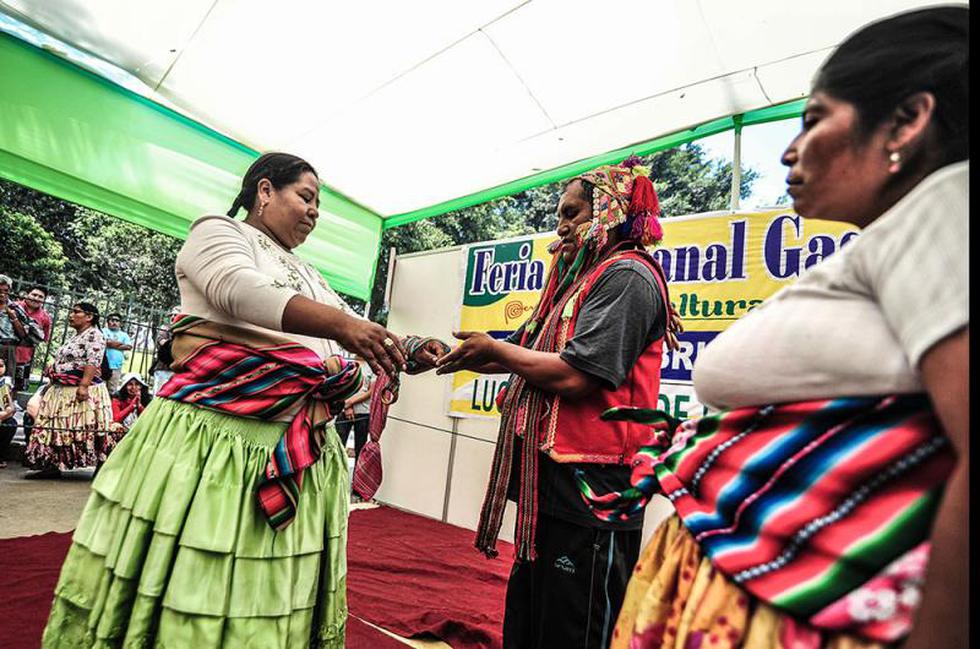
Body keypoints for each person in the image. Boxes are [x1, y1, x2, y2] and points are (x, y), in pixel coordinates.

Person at [588, 7, 968, 649]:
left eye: (815, 120)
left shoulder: (943, 207)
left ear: (908, 120)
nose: (790, 150)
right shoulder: (894, 243)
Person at [41, 152, 434, 648]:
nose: (314, 213)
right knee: (198, 574)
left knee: (268, 591)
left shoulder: (309, 273)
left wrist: (408, 347)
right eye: (306, 198)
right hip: (214, 444)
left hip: (299, 448)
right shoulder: (218, 233)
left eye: (318, 206)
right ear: (264, 191)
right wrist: (346, 327)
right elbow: (237, 291)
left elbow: (348, 332)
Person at [437, 158, 679, 648]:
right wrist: (447, 355)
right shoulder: (579, 281)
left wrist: (495, 350)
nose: (561, 226)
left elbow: (577, 375)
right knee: (534, 613)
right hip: (554, 478)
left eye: (572, 214)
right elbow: (527, 353)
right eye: (559, 216)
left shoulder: (628, 275)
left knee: (577, 624)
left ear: (608, 212)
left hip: (597, 486)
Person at [23, 302, 114, 479]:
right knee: (55, 428)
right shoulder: (77, 336)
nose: (71, 315)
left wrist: (84, 386)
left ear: (89, 317)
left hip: (81, 390)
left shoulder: (95, 335)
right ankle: (52, 465)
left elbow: (93, 361)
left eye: (76, 312)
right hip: (62, 390)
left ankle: (102, 467)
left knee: (89, 428)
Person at [0, 274, 44, 388]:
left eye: (5, 290)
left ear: (9, 290)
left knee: (4, 385)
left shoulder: (14, 308)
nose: (2, 294)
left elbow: (24, 335)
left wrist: (13, 318)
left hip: (6, 349)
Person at [335, 355, 374, 468]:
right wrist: (347, 407)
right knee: (337, 446)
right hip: (343, 411)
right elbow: (340, 386)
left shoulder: (372, 366)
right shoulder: (348, 363)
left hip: (363, 413)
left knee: (360, 449)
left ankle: (355, 481)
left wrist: (350, 403)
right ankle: (334, 476)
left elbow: (370, 391)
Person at [14, 285, 53, 392]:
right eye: (34, 295)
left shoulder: (45, 318)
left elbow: (44, 340)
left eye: (40, 297)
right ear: (27, 294)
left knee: (17, 388)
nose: (36, 298)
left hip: (24, 358)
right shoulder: (14, 307)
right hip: (4, 352)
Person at [101, 312, 133, 394]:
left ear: (120, 323)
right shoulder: (103, 331)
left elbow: (129, 346)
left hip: (116, 366)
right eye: (112, 320)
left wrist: (112, 344)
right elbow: (103, 342)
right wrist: (119, 343)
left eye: (117, 320)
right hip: (102, 364)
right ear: (108, 322)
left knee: (112, 390)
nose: (114, 322)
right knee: (100, 388)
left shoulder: (124, 335)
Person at [0, 356, 16, 469]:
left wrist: (5, 414)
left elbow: (11, 408)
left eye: (1, 366)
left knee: (11, 423)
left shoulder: (5, 384)